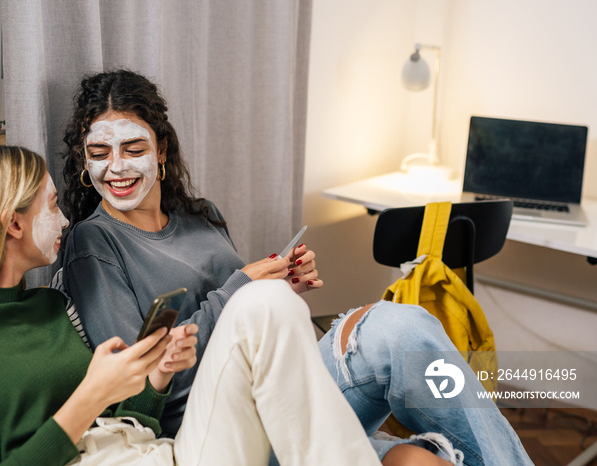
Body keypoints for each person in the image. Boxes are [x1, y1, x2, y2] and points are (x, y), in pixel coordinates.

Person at [59, 70, 533, 465]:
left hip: (277, 380)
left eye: (133, 149)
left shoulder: (201, 215)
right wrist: (242, 288)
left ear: (161, 150)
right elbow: (134, 384)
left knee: (406, 358)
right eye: (99, 154)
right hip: (214, 420)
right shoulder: (93, 243)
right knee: (395, 331)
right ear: (84, 161)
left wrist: (278, 287)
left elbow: (242, 321)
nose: (115, 168)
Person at [0, 143, 453, 466]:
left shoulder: (47, 307)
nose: (66, 219)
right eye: (53, 205)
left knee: (266, 301)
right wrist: (89, 394)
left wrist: (157, 377)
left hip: (162, 451)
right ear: (12, 222)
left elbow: (128, 421)